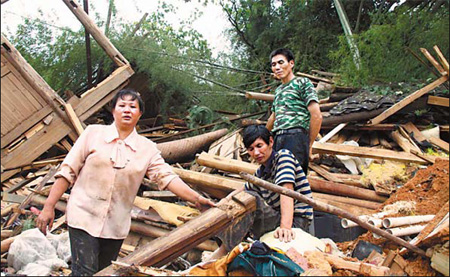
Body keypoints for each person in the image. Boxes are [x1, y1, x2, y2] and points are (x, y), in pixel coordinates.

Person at [35, 89, 215, 276]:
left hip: (116, 224)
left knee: (103, 273)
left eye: (132, 106)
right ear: (113, 111)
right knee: (84, 271)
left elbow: (166, 177)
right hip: (83, 214)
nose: (127, 110)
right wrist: (49, 206)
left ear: (140, 113)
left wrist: (196, 198)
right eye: (121, 106)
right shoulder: (92, 134)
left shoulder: (147, 149)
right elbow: (67, 171)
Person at [208, 125, 313, 260]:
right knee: (242, 199)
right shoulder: (262, 172)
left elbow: (286, 191)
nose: (256, 153)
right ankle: (227, 250)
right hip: (279, 218)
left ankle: (222, 252)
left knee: (252, 200)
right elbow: (244, 188)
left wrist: (285, 227)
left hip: (296, 221)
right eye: (251, 149)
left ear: (270, 142)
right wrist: (224, 201)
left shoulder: (283, 158)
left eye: (259, 146)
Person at [266, 48, 322, 174]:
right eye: (274, 65)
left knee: (292, 180)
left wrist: (309, 144)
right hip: (277, 138)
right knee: (277, 178)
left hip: (295, 137)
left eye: (281, 62)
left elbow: (316, 115)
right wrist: (263, 135)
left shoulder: (302, 83)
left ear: (291, 63)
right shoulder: (278, 90)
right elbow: (274, 117)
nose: (277, 67)